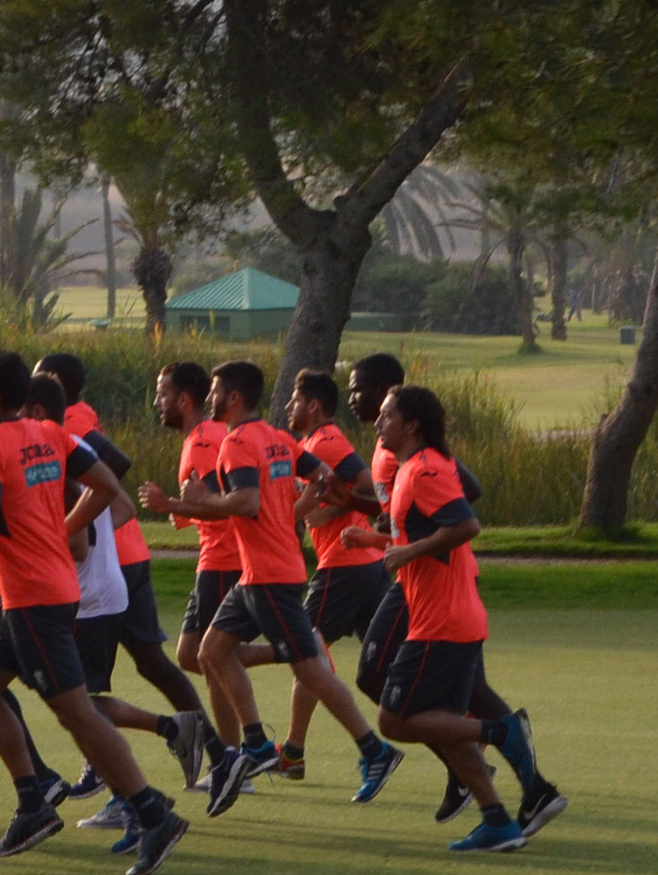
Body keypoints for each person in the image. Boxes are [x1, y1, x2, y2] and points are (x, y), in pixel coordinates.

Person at [0, 348, 189, 875]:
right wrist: (60, 529)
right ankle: (33, 803)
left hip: (33, 598)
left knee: (76, 712)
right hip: (31, 594)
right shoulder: (46, 433)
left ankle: (151, 811)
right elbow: (107, 486)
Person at [336, 355, 551, 830]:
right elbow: (405, 513)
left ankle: (493, 760)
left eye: (362, 390)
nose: (356, 400)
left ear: (394, 396)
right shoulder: (394, 450)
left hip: (437, 586)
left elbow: (464, 502)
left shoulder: (420, 461)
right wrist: (377, 527)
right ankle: (510, 802)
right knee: (455, 693)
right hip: (423, 577)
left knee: (383, 684)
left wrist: (416, 541)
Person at [181, 361, 400, 815]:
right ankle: (258, 745)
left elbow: (245, 501)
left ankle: (374, 751)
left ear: (234, 397)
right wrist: (297, 513)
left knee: (312, 669)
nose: (210, 398)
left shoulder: (237, 443)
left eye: (216, 391)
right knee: (210, 652)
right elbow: (323, 478)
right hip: (256, 574)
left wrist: (198, 504)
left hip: (272, 577)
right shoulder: (280, 439)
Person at [19, 372, 206, 857]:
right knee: (78, 702)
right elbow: (121, 506)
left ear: (35, 413)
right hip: (102, 591)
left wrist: (45, 541)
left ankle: (139, 791)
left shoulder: (50, 457)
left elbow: (77, 542)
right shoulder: (78, 446)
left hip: (85, 599)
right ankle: (139, 780)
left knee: (78, 707)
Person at [280, 369, 401, 796]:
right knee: (389, 670)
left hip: (343, 568)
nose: (288, 408)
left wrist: (331, 511)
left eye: (294, 401)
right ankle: (472, 739)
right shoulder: (310, 446)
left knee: (304, 650)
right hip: (363, 567)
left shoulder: (326, 441)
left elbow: (367, 485)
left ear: (313, 406)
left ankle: (312, 751)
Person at [136, 359, 245, 779]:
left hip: (223, 558)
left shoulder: (203, 440)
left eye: (163, 394)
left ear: (184, 400)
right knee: (191, 654)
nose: (157, 403)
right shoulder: (202, 437)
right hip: (213, 558)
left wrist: (172, 505)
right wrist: (181, 509)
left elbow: (225, 510)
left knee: (211, 656)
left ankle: (232, 760)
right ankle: (233, 756)